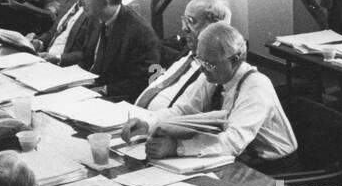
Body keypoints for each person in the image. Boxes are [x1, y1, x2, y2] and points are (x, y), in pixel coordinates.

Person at [123, 22, 298, 172]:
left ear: (235, 60)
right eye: (200, 60)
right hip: (235, 158)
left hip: (272, 169)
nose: (202, 68)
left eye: (210, 63)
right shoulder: (212, 74)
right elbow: (183, 110)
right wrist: (148, 123)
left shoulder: (256, 86)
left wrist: (177, 148)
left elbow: (233, 141)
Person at [133, 0, 230, 111]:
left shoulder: (217, 71)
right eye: (184, 20)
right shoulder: (188, 52)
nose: (184, 28)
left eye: (191, 21)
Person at [74, 0, 160, 101]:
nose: (79, 3)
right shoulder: (95, 19)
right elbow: (86, 57)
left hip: (113, 99)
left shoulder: (140, 32)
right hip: (87, 89)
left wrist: (101, 91)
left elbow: (141, 83)